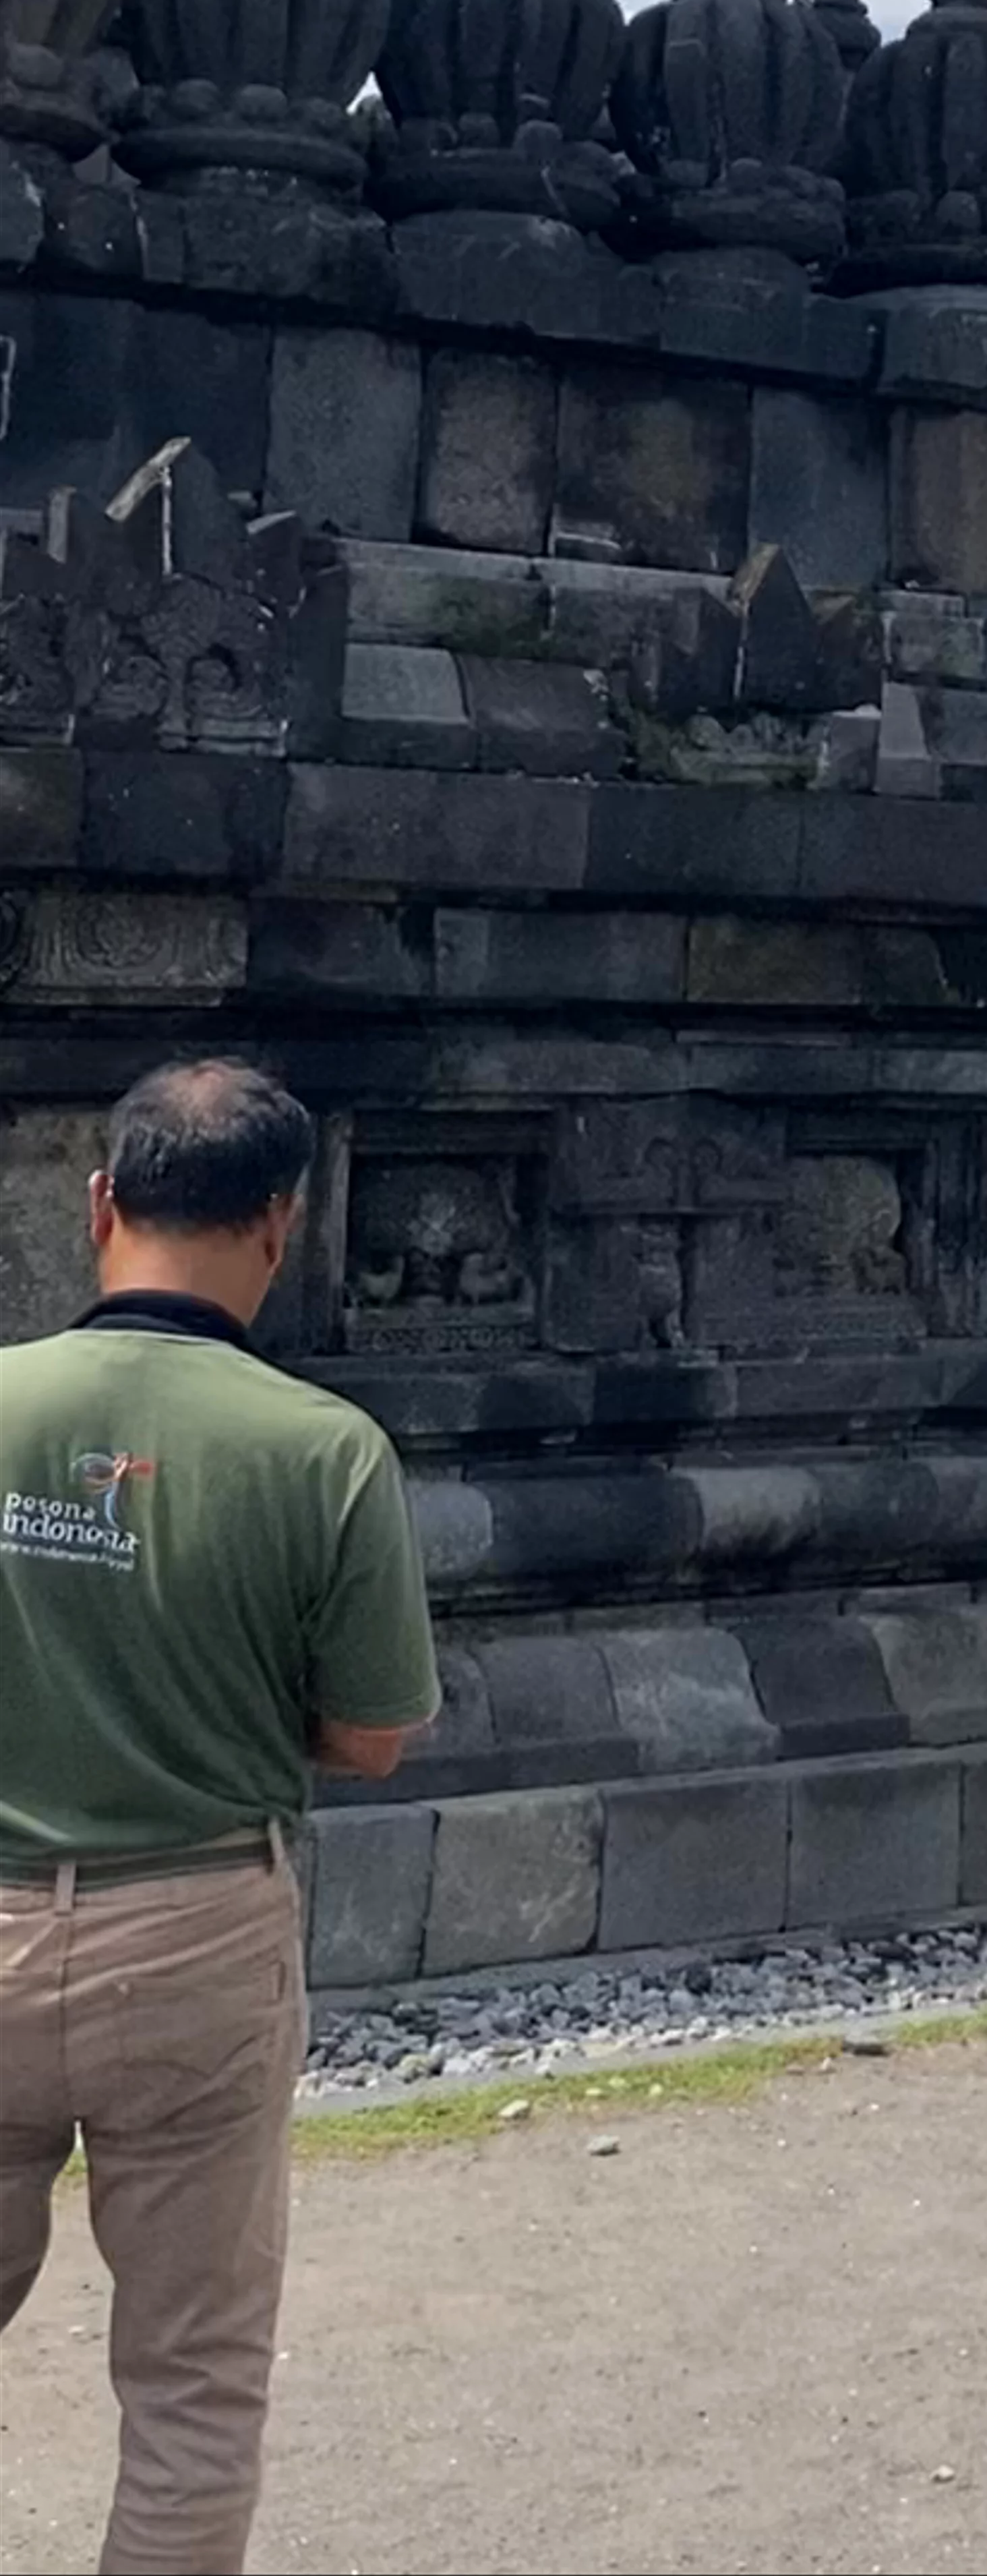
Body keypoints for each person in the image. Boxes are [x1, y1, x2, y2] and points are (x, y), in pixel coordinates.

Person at [0, 1060, 440, 2576]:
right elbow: (375, 1732)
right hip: (194, 1928)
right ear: (281, 1221)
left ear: (101, 1200)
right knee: (190, 2379)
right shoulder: (324, 1448)